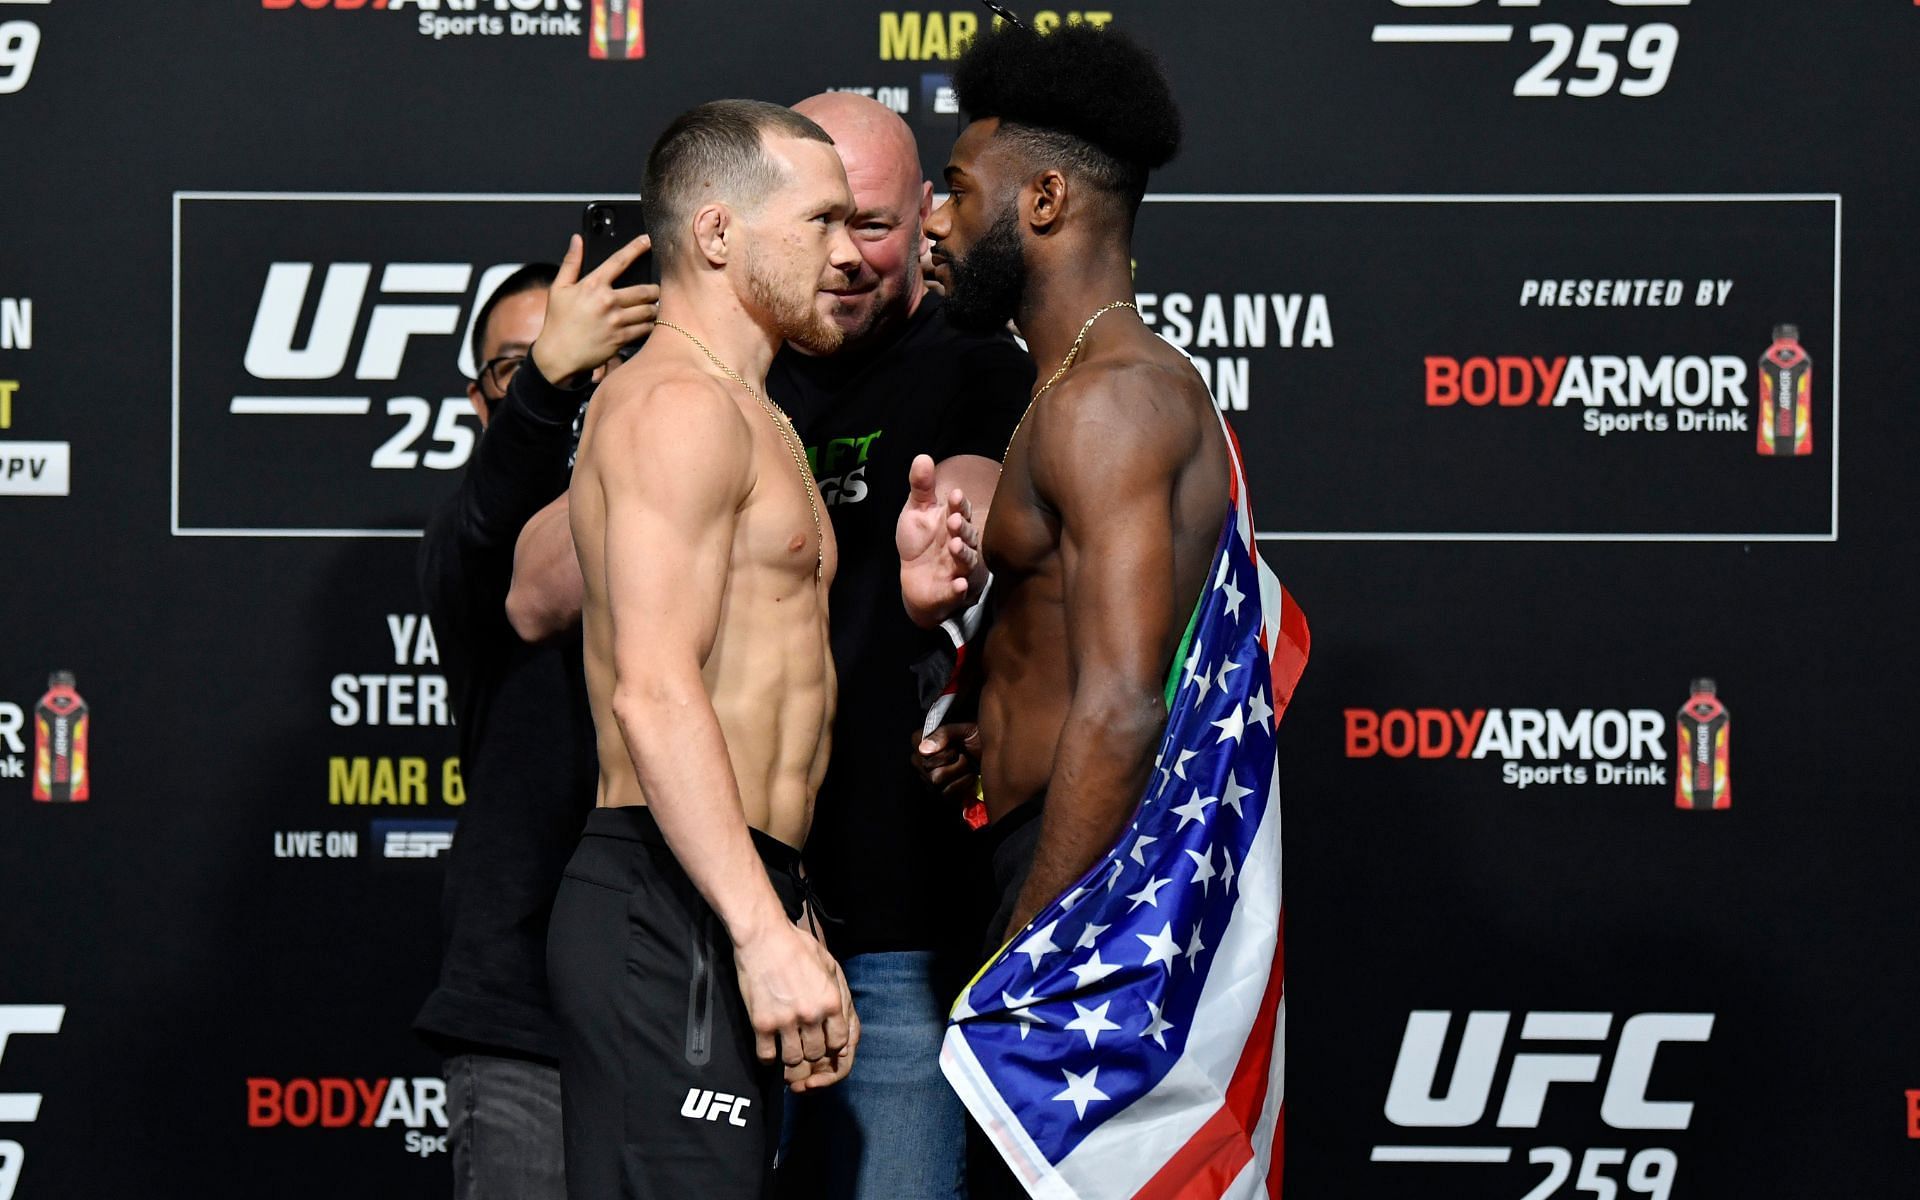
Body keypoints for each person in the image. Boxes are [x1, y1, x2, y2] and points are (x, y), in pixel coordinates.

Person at [893, 24, 1270, 1198]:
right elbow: (1066, 652)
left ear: (1044, 198)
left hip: (1077, 898)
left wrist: (1032, 953)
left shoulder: (1109, 401)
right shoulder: (1070, 386)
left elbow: (1119, 702)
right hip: (1039, 856)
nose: (934, 223)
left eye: (956, 189)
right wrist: (983, 726)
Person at [545, 99, 865, 1200]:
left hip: (733, 890)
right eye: (822, 221)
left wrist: (788, 916)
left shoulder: (760, 414)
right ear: (720, 235)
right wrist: (756, 929)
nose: (852, 251)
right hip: (667, 903)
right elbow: (654, 691)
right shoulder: (676, 407)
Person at [767, 92, 1033, 1200]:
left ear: (927, 216)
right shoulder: (730, 377)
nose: (844, 256)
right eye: (816, 223)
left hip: (897, 933)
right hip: (730, 917)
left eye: (871, 224)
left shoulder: (977, 362)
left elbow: (970, 500)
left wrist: (949, 556)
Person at [415, 237, 658, 1200]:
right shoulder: (467, 548)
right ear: (482, 402)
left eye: (580, 360)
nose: (542, 389)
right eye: (513, 370)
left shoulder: (695, 515)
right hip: (524, 1018)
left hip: (679, 998)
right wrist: (551, 385)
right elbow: (492, 527)